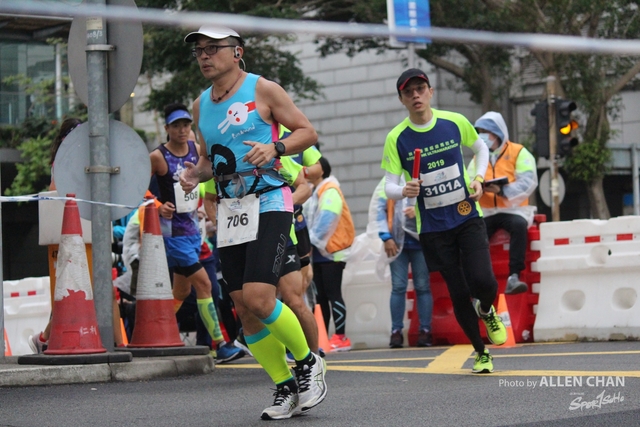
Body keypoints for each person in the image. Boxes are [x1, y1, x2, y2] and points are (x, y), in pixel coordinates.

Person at [179, 24, 326, 420]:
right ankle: (284, 386)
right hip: (232, 210)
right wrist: (194, 174)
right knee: (243, 306)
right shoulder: (200, 105)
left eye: (213, 48)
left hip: (270, 200)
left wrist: (275, 147)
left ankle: (308, 363)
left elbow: (307, 133)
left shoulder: (263, 89)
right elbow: (208, 160)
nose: (204, 56)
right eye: (199, 50)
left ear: (237, 52)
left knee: (261, 297)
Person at [381, 68, 507, 374]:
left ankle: (487, 309)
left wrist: (478, 178)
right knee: (459, 292)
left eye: (420, 88)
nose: (415, 95)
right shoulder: (396, 138)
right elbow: (389, 186)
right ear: (401, 99)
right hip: (434, 228)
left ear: (430, 92)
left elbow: (480, 148)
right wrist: (404, 190)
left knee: (485, 282)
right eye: (408, 92)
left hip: (467, 215)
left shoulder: (454, 121)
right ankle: (481, 352)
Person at [150, 102, 243, 364]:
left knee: (181, 293)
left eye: (186, 124)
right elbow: (138, 190)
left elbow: (206, 179)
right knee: (205, 286)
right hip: (174, 236)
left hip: (195, 232)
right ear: (167, 128)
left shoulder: (197, 150)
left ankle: (156, 332)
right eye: (176, 125)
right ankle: (220, 344)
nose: (182, 130)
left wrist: (205, 204)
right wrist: (158, 206)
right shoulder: (157, 156)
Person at [30, 117, 125, 353]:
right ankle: (45, 337)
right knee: (73, 292)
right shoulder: (63, 162)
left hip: (89, 232)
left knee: (101, 289)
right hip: (72, 235)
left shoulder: (84, 161)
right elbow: (55, 193)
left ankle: (119, 344)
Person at [467, 111, 538, 295]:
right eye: (480, 132)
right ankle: (476, 279)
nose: (482, 136)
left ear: (497, 133)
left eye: (486, 132)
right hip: (487, 212)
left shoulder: (518, 152)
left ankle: (514, 276)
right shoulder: (477, 157)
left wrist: (502, 190)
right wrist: (478, 188)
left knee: (518, 226)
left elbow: (528, 182)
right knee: (473, 234)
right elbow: (468, 182)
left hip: (513, 210)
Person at [369, 176, 433, 348]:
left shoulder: (424, 175)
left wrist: (418, 212)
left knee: (422, 286)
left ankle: (425, 331)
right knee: (398, 286)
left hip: (421, 241)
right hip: (396, 243)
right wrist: (386, 237)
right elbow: (378, 210)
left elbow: (436, 204)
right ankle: (396, 332)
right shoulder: (390, 180)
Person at [305, 156, 355, 352]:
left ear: (323, 169)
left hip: (333, 252)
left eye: (314, 164)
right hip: (320, 253)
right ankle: (322, 338)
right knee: (321, 298)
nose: (307, 167)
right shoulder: (314, 191)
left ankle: (341, 337)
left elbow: (328, 218)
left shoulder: (330, 189)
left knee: (333, 294)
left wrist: (311, 241)